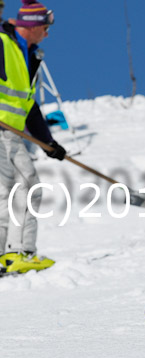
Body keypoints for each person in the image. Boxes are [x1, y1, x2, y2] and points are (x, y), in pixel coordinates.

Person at [0, 0, 66, 274]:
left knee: (9, 193)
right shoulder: (3, 43)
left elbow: (29, 107)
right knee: (27, 187)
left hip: (11, 135)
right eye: (45, 28)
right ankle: (19, 252)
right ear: (34, 25)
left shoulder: (30, 56)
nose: (47, 34)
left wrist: (48, 143)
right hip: (3, 133)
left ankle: (7, 255)